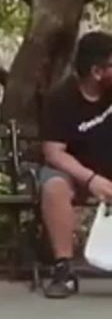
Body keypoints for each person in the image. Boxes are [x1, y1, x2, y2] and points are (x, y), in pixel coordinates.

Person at [40, 31, 112, 299]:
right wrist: (92, 180)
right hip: (74, 172)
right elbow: (54, 153)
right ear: (97, 71)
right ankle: (63, 270)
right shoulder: (60, 99)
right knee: (54, 187)